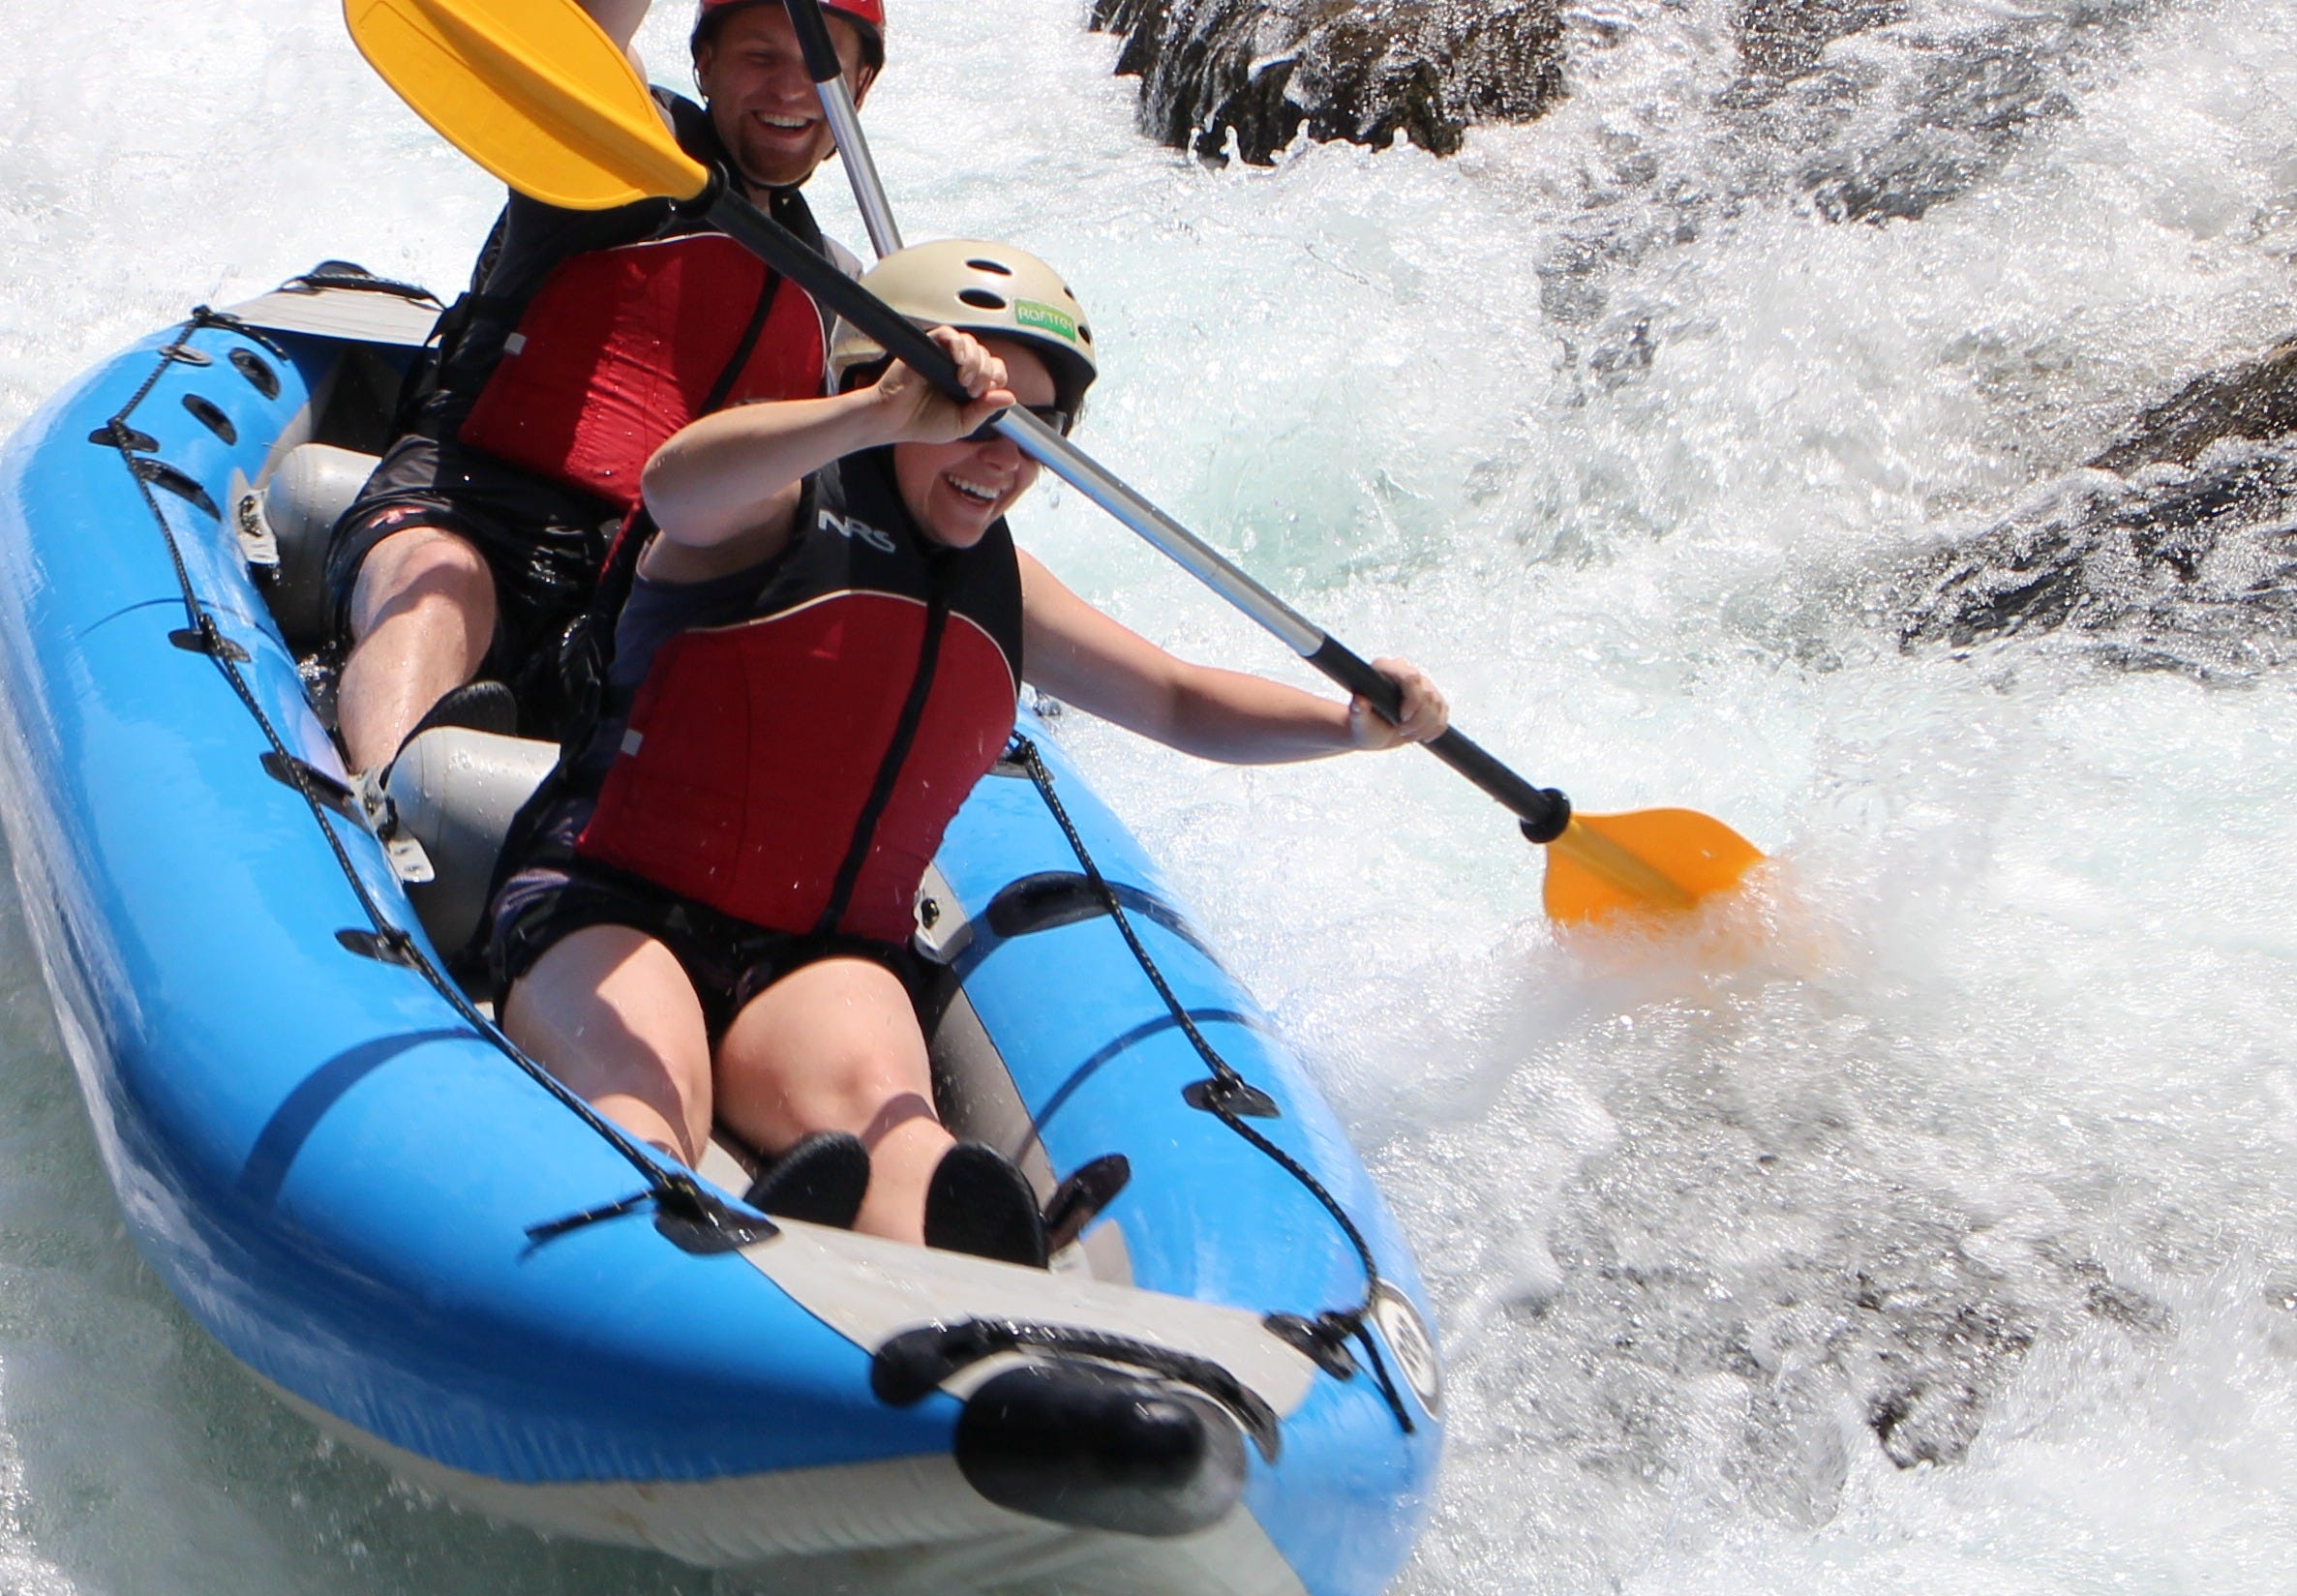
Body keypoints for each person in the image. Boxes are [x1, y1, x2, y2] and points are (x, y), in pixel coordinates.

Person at [486, 242, 1455, 1260]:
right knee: (648, 1086)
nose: (1002, 457)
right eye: (973, 418)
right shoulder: (767, 511)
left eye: (1035, 430)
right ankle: (661, 1233)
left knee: (893, 1122)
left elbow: (1179, 702)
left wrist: (1347, 725)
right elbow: (672, 483)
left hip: (812, 954)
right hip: (612, 904)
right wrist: (875, 415)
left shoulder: (1007, 589)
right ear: (883, 388)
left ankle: (977, 1290)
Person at [324, 0, 888, 781]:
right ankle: (382, 795)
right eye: (760, 58)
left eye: (818, 70)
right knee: (446, 580)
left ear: (857, 90)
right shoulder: (607, 142)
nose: (789, 91)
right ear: (704, 65)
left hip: (638, 596)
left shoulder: (844, 294)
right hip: (471, 502)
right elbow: (589, 26)